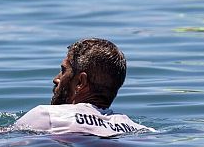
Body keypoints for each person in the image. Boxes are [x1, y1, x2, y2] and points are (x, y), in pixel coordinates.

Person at [14, 38, 154, 137]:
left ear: (81, 82)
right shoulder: (139, 130)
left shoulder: (47, 116)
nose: (56, 79)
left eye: (63, 71)